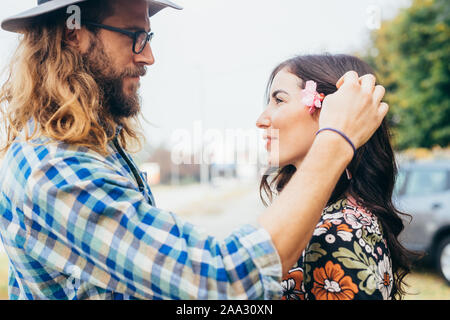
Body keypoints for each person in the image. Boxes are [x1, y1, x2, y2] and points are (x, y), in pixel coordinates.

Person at [0, 0, 388, 300]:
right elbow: (221, 279)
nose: (148, 56)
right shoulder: (53, 168)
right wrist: (335, 141)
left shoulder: (98, 146)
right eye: (135, 35)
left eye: (147, 38)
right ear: (74, 33)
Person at [256, 54, 416, 300]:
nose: (261, 120)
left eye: (279, 100)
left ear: (331, 111)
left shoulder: (335, 235)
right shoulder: (338, 216)